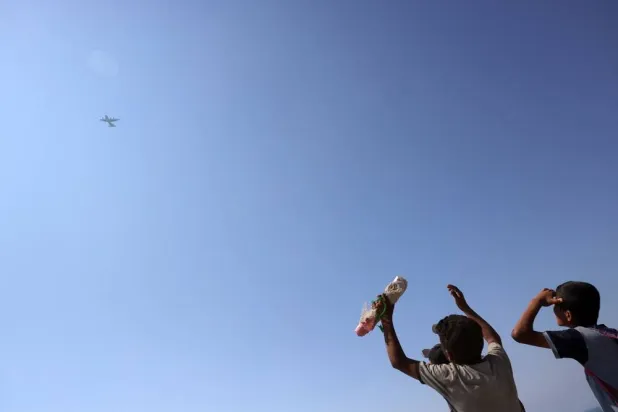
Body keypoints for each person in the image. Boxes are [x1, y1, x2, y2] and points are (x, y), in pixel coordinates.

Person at [380, 285, 522, 412]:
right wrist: (465, 308)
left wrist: (386, 319)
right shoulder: (499, 363)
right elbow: (493, 338)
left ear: (449, 356)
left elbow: (398, 362)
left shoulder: (452, 378)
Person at [511, 281, 618, 411]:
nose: (553, 311)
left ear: (568, 315)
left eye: (555, 306)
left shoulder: (580, 338)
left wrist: (537, 301)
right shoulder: (609, 334)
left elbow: (520, 334)